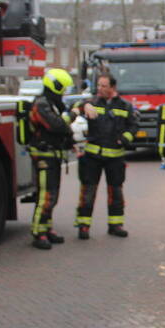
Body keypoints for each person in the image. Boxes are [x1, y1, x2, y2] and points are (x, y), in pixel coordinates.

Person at [70, 72, 139, 239]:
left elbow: (134, 126)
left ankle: (115, 225)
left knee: (116, 193)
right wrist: (85, 105)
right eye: (99, 85)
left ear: (113, 88)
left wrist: (125, 139)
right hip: (92, 157)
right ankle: (83, 225)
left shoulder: (125, 106)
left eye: (104, 86)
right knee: (88, 192)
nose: (99, 88)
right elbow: (73, 107)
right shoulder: (92, 103)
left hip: (115, 157)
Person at [28, 68, 75, 250]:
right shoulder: (41, 105)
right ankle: (38, 232)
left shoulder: (52, 103)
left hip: (53, 155)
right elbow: (57, 125)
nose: (64, 93)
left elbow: (63, 128)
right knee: (45, 196)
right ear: (55, 86)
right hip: (44, 156)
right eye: (63, 88)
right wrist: (72, 115)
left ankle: (47, 228)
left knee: (52, 195)